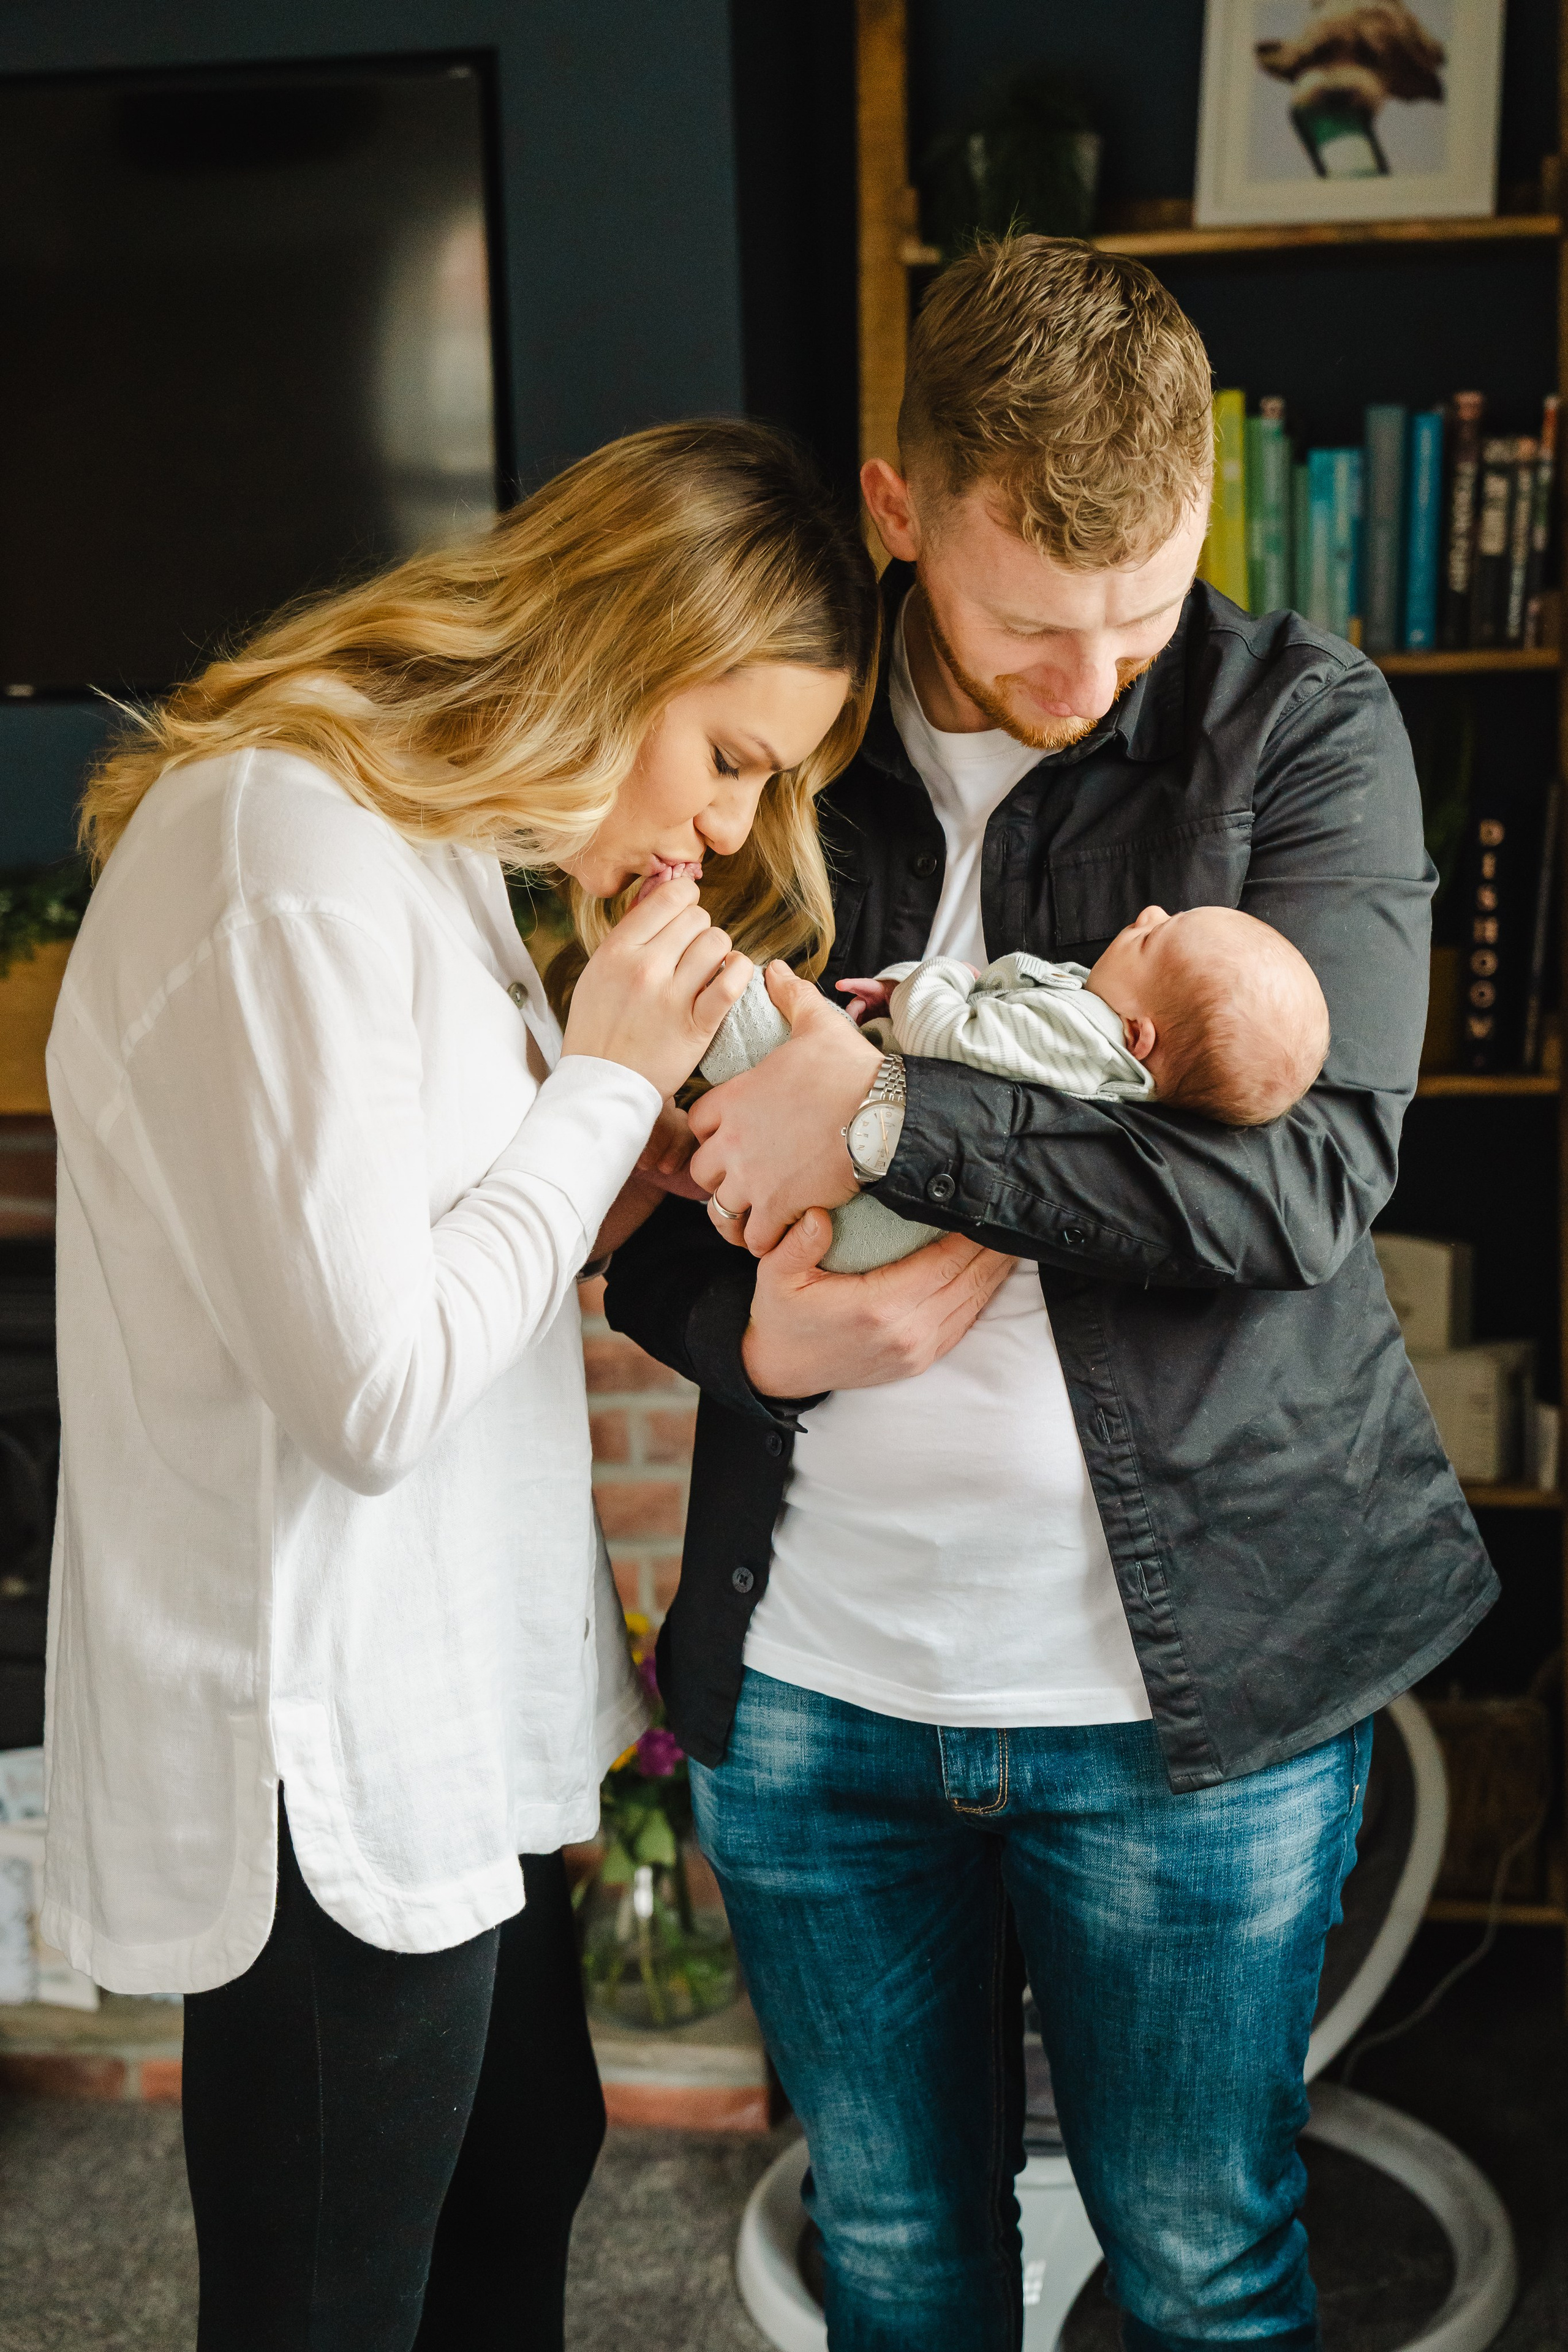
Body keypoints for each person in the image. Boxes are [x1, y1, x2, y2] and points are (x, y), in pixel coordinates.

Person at [604, 239, 1496, 2352]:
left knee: (1202, 2264)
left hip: (1199, 1707)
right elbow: (626, 1152)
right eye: (1030, 623)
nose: (1095, 674)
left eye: (1144, 610)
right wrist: (741, 1332)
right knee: (899, 2263)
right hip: (818, 1685)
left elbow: (1299, 1182)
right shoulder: (769, 737)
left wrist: (891, 1125)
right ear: (901, 512)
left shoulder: (1301, 727)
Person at [42, 418, 880, 2352]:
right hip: (326, 1743)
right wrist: (591, 1092)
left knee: (521, 2178)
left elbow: (422, 1251)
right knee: (337, 2295)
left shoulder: (417, 848)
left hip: (444, 1716)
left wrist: (605, 1155)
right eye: (733, 757)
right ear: (612, 639)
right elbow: (371, 1387)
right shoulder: (283, 844)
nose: (736, 830)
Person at [694, 902, 1330, 1270]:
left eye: (1153, 938)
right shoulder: (1097, 1025)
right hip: (872, 1205)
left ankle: (690, 984)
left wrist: (937, 975)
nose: (1148, 912)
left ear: (1138, 1038)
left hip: (873, 1220)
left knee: (751, 1009)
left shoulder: (1083, 1030)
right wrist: (902, 991)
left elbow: (941, 1039)